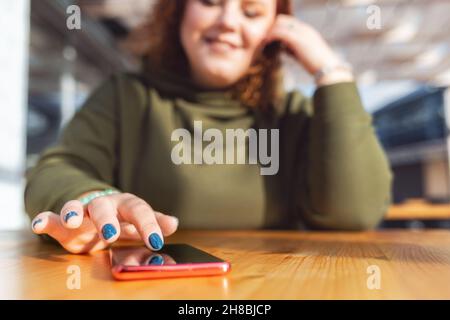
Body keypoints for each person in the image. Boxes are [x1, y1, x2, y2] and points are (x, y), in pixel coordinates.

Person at [25, 0, 392, 254]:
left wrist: (331, 71)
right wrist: (90, 202)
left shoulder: (291, 114)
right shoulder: (127, 97)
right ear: (179, 12)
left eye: (251, 11)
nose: (229, 21)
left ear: (274, 32)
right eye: (210, 1)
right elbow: (57, 167)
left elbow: (353, 213)